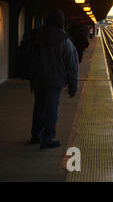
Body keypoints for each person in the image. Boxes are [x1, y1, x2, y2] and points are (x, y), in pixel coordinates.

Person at [30, 9, 79, 149]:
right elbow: (72, 66)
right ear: (61, 22)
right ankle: (48, 139)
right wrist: (73, 86)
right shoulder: (65, 41)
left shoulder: (38, 36)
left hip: (39, 79)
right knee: (52, 110)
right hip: (55, 81)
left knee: (39, 108)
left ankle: (36, 135)